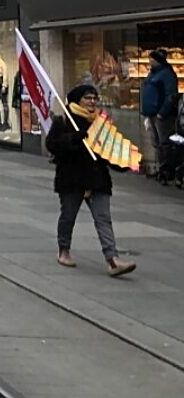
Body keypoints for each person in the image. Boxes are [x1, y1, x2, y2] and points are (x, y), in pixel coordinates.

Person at [47, 84, 136, 277]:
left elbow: (108, 151)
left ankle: (113, 260)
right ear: (77, 100)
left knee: (103, 219)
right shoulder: (64, 121)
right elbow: (52, 145)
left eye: (95, 98)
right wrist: (73, 138)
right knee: (68, 216)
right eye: (87, 98)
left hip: (97, 179)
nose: (92, 102)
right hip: (73, 178)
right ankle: (63, 251)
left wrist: (124, 162)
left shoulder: (100, 123)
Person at [140, 48, 178, 179]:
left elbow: (171, 95)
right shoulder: (153, 73)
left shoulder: (166, 74)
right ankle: (160, 167)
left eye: (151, 59)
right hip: (151, 113)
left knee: (164, 142)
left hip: (161, 115)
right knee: (156, 142)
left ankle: (166, 169)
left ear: (157, 60)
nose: (149, 61)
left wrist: (163, 112)